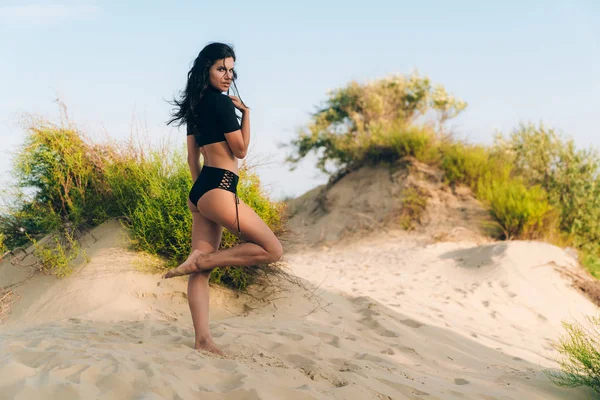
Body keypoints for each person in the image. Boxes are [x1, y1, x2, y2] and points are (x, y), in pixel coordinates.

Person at [164, 42, 283, 355]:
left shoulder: (195, 105)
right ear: (207, 69)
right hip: (221, 184)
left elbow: (192, 158)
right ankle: (203, 260)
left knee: (199, 272)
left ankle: (202, 339)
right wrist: (245, 114)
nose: (228, 75)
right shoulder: (219, 103)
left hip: (202, 188)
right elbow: (241, 150)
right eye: (221, 68)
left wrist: (199, 196)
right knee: (272, 249)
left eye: (231, 69)